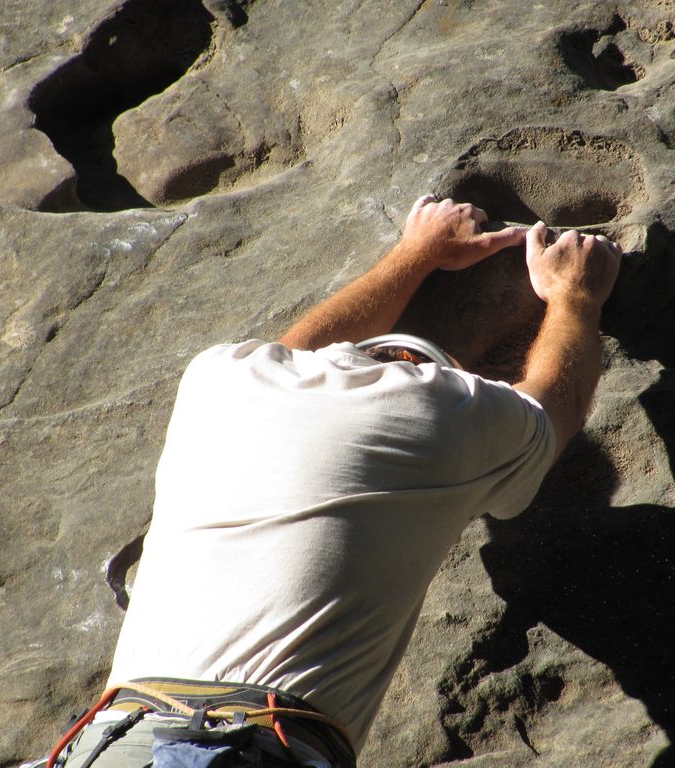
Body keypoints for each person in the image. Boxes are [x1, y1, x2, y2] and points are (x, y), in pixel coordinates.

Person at [42, 195, 621, 768]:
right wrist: (574, 297)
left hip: (112, 739)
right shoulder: (441, 414)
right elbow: (554, 410)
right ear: (434, 372)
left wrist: (414, 253)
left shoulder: (217, 379)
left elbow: (290, 350)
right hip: (250, 748)